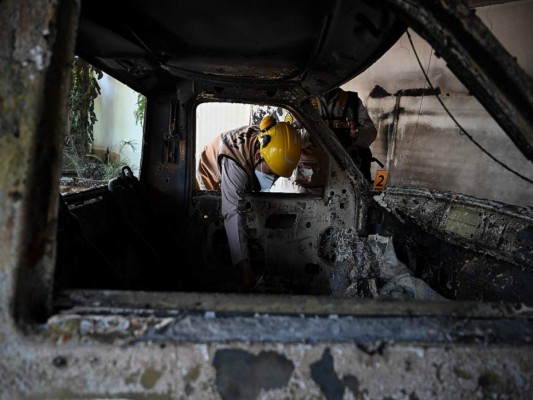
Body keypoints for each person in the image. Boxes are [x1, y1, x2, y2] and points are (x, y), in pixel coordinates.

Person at [197, 116, 302, 291]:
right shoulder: (235, 167)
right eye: (270, 172)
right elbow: (232, 212)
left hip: (245, 165)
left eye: (276, 175)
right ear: (257, 155)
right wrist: (244, 266)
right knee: (219, 223)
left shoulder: (272, 141)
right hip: (211, 174)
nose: (272, 178)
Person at [311, 87, 377, 182]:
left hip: (347, 175)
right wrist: (312, 134)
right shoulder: (303, 99)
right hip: (312, 176)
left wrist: (356, 134)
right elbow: (289, 135)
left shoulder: (351, 100)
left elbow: (371, 132)